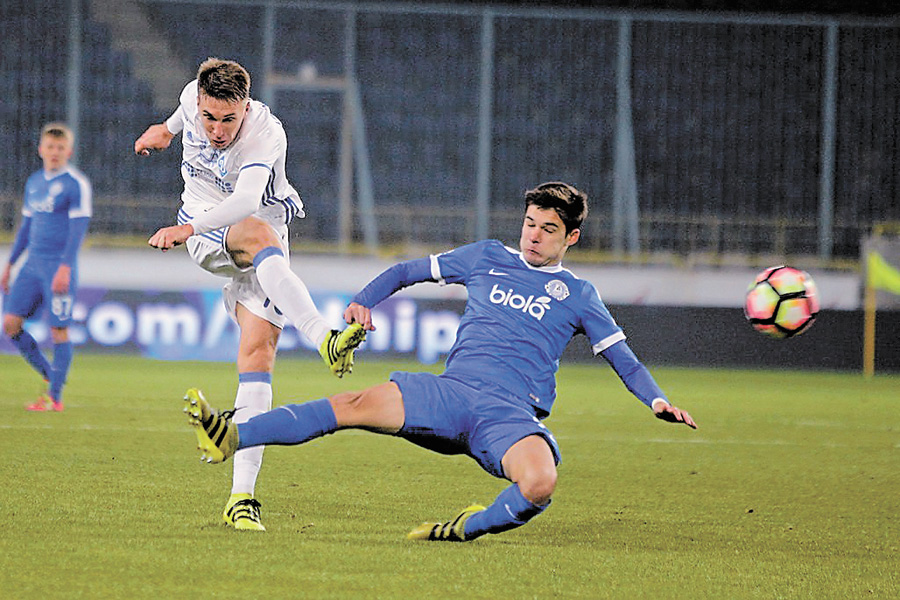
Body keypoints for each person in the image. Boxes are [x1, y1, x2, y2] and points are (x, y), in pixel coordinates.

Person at [183, 181, 697, 541]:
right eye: (529, 223)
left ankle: (465, 528)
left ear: (571, 237)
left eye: (547, 228)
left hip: (509, 417)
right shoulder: (486, 257)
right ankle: (233, 436)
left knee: (540, 484)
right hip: (449, 396)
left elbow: (623, 359)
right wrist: (365, 298)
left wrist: (657, 400)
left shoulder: (580, 295)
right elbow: (410, 270)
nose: (533, 235)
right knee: (352, 402)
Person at [134, 58, 365, 532]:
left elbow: (245, 199)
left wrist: (182, 229)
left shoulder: (266, 132)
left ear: (247, 107)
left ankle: (241, 498)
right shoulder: (189, 100)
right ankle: (323, 336)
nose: (217, 130)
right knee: (259, 233)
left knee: (257, 358)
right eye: (209, 118)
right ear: (199, 102)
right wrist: (165, 130)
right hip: (211, 230)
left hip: (249, 239)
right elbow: (180, 118)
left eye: (229, 119)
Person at [2, 123, 92, 413]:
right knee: (11, 325)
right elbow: (26, 228)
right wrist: (10, 264)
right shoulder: (34, 182)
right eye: (50, 147)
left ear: (69, 151)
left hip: (57, 265)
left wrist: (65, 267)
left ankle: (54, 398)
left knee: (58, 331)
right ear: (41, 149)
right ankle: (53, 378)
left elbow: (78, 229)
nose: (54, 153)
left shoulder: (75, 184)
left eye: (60, 148)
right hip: (31, 266)